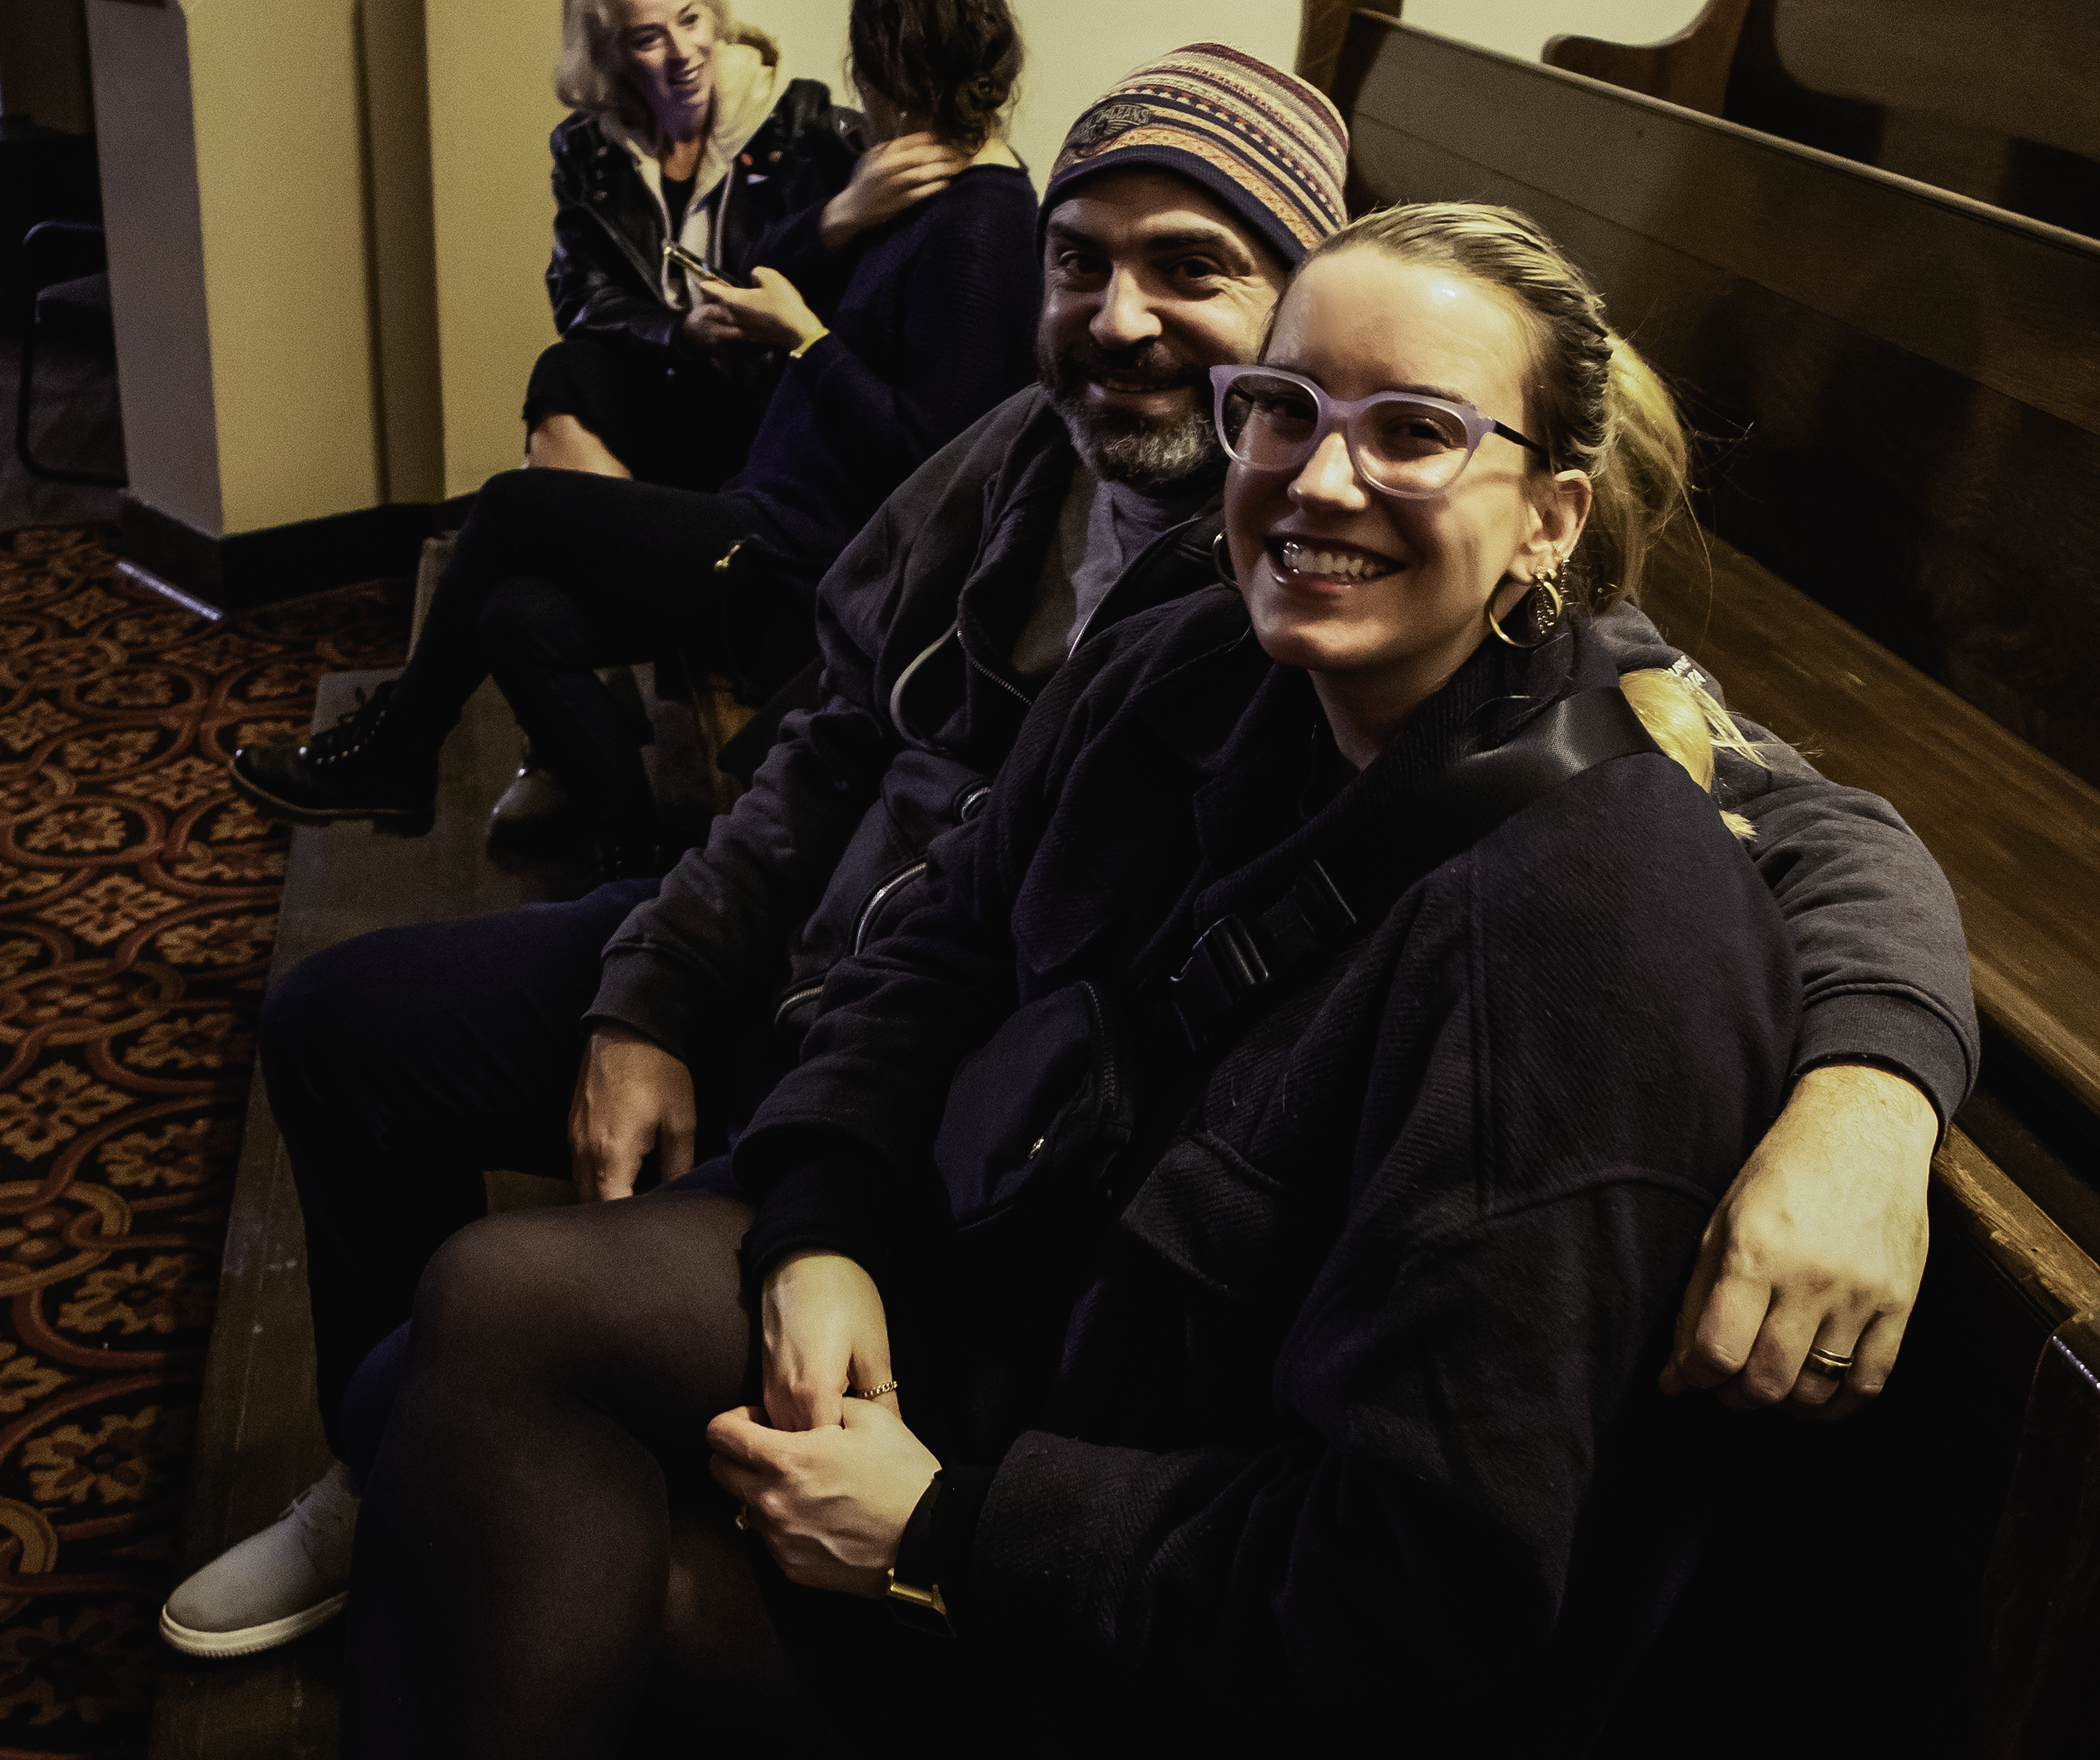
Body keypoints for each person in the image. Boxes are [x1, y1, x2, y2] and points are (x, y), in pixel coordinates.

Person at [160, 46, 1964, 1667]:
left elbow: (1807, 831)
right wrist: (669, 1012)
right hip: (882, 1041)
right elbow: (836, 754)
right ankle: (379, 1471)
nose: (1119, 320)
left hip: (1006, 1146)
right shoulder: (1040, 484)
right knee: (357, 1057)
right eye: (1080, 259)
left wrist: (1876, 1092)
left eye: (1194, 267)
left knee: (483, 1386)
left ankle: (403, 1463)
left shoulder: (1510, 710)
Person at [223, 0, 1036, 870]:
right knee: (514, 614)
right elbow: (754, 279)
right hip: (762, 518)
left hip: (806, 565)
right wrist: (840, 218)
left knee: (509, 507)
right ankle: (635, 858)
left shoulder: (982, 227)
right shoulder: (913, 188)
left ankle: (399, 749)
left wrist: (809, 342)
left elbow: (933, 465)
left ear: (884, 85)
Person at [527, 0, 863, 491]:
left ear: (716, 20)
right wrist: (680, 333)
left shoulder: (803, 125)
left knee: (515, 518)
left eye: (691, 20)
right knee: (566, 370)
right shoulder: (588, 148)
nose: (683, 52)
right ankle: (603, 544)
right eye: (648, 39)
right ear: (612, 54)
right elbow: (581, 298)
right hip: (665, 396)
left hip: (770, 407)